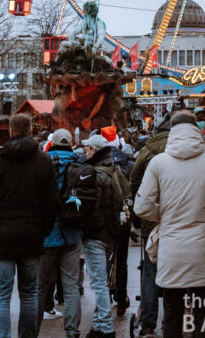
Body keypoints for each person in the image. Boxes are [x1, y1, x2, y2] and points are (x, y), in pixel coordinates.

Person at [134, 110, 205, 338]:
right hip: (204, 250)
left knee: (172, 315)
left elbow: (141, 207)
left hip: (171, 252)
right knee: (204, 317)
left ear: (172, 130)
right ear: (196, 130)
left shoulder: (158, 163)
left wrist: (163, 215)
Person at [0, 112, 60, 338]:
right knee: (30, 293)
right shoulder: (43, 160)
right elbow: (53, 200)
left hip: (1, 235)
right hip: (32, 235)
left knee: (1, 294)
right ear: (31, 129)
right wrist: (44, 229)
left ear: (11, 131)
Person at [80, 133, 131, 338]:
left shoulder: (95, 174)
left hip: (96, 235)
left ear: (96, 151)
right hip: (110, 234)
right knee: (101, 281)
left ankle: (105, 327)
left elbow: (93, 208)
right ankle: (100, 324)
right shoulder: (114, 169)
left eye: (89, 148)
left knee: (99, 283)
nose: (86, 152)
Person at [129, 114, 171, 338]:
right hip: (178, 220)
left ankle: (147, 323)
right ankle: (172, 321)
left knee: (150, 272)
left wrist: (139, 217)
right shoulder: (181, 150)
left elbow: (134, 182)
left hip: (150, 223)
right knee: (176, 269)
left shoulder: (146, 152)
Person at [37, 129, 82, 338]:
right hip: (72, 231)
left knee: (40, 286)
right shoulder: (80, 164)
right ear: (71, 143)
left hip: (48, 233)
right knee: (71, 286)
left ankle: (32, 330)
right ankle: (72, 331)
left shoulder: (44, 162)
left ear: (52, 142)